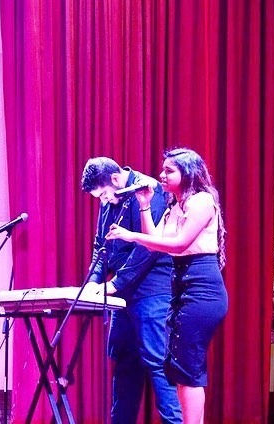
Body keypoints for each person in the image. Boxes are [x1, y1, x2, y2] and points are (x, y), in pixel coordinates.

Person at [106, 148, 228, 424]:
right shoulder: (174, 205)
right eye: (162, 170)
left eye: (169, 171)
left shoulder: (201, 200)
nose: (161, 175)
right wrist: (145, 205)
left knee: (188, 370)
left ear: (188, 173)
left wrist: (130, 235)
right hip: (183, 288)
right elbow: (154, 242)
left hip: (202, 289)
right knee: (181, 369)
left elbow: (179, 244)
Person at [80, 157, 182, 424]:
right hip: (122, 295)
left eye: (104, 194)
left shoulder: (147, 190)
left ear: (115, 179)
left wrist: (115, 283)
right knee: (124, 363)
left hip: (152, 292)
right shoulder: (109, 203)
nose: (103, 201)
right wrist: (92, 282)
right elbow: (100, 248)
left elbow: (148, 248)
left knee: (158, 365)